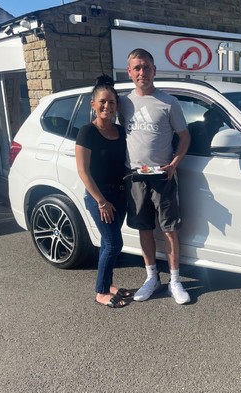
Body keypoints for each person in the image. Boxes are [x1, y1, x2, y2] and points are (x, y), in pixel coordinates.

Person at [118, 48, 192, 304]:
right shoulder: (123, 103)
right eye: (137, 68)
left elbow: (184, 137)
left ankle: (175, 281)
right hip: (135, 177)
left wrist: (174, 163)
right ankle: (151, 278)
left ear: (154, 70)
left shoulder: (169, 102)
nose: (142, 72)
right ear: (129, 72)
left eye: (146, 67)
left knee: (170, 230)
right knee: (144, 229)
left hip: (163, 177)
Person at [75, 75, 131, 308]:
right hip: (101, 197)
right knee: (114, 243)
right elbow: (83, 172)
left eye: (111, 102)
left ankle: (107, 284)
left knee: (108, 244)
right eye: (102, 102)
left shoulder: (120, 131)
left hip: (120, 195)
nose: (107, 106)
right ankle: (100, 292)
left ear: (117, 106)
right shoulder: (87, 132)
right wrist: (101, 201)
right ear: (93, 105)